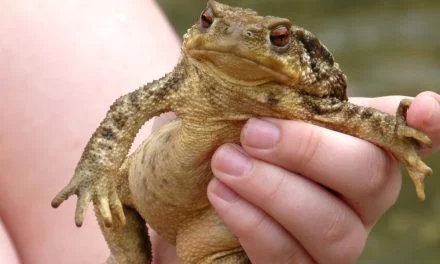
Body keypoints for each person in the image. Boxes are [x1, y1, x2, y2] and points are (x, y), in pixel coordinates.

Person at [1, 0, 439, 263]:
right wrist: (95, 171)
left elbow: (356, 119)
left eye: (277, 38)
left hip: (211, 235)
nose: (230, 39)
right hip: (140, 194)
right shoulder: (193, 76)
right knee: (115, 197)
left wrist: (400, 143)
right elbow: (128, 108)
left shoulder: (292, 97)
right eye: (210, 22)